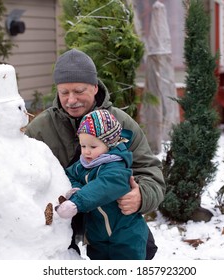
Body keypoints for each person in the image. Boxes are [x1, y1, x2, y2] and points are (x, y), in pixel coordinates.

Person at [25, 48, 165, 259]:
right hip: (61, 216)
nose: (71, 100)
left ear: (94, 87)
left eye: (79, 91)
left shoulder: (120, 123)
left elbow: (150, 171)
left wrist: (142, 196)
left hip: (110, 216)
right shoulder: (40, 129)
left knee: (144, 249)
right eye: (64, 92)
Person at [55, 109, 148, 259]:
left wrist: (77, 202)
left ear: (109, 144)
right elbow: (69, 174)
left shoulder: (117, 168)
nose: (86, 152)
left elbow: (103, 186)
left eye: (93, 147)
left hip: (125, 235)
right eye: (83, 146)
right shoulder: (83, 164)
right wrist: (75, 188)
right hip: (97, 236)